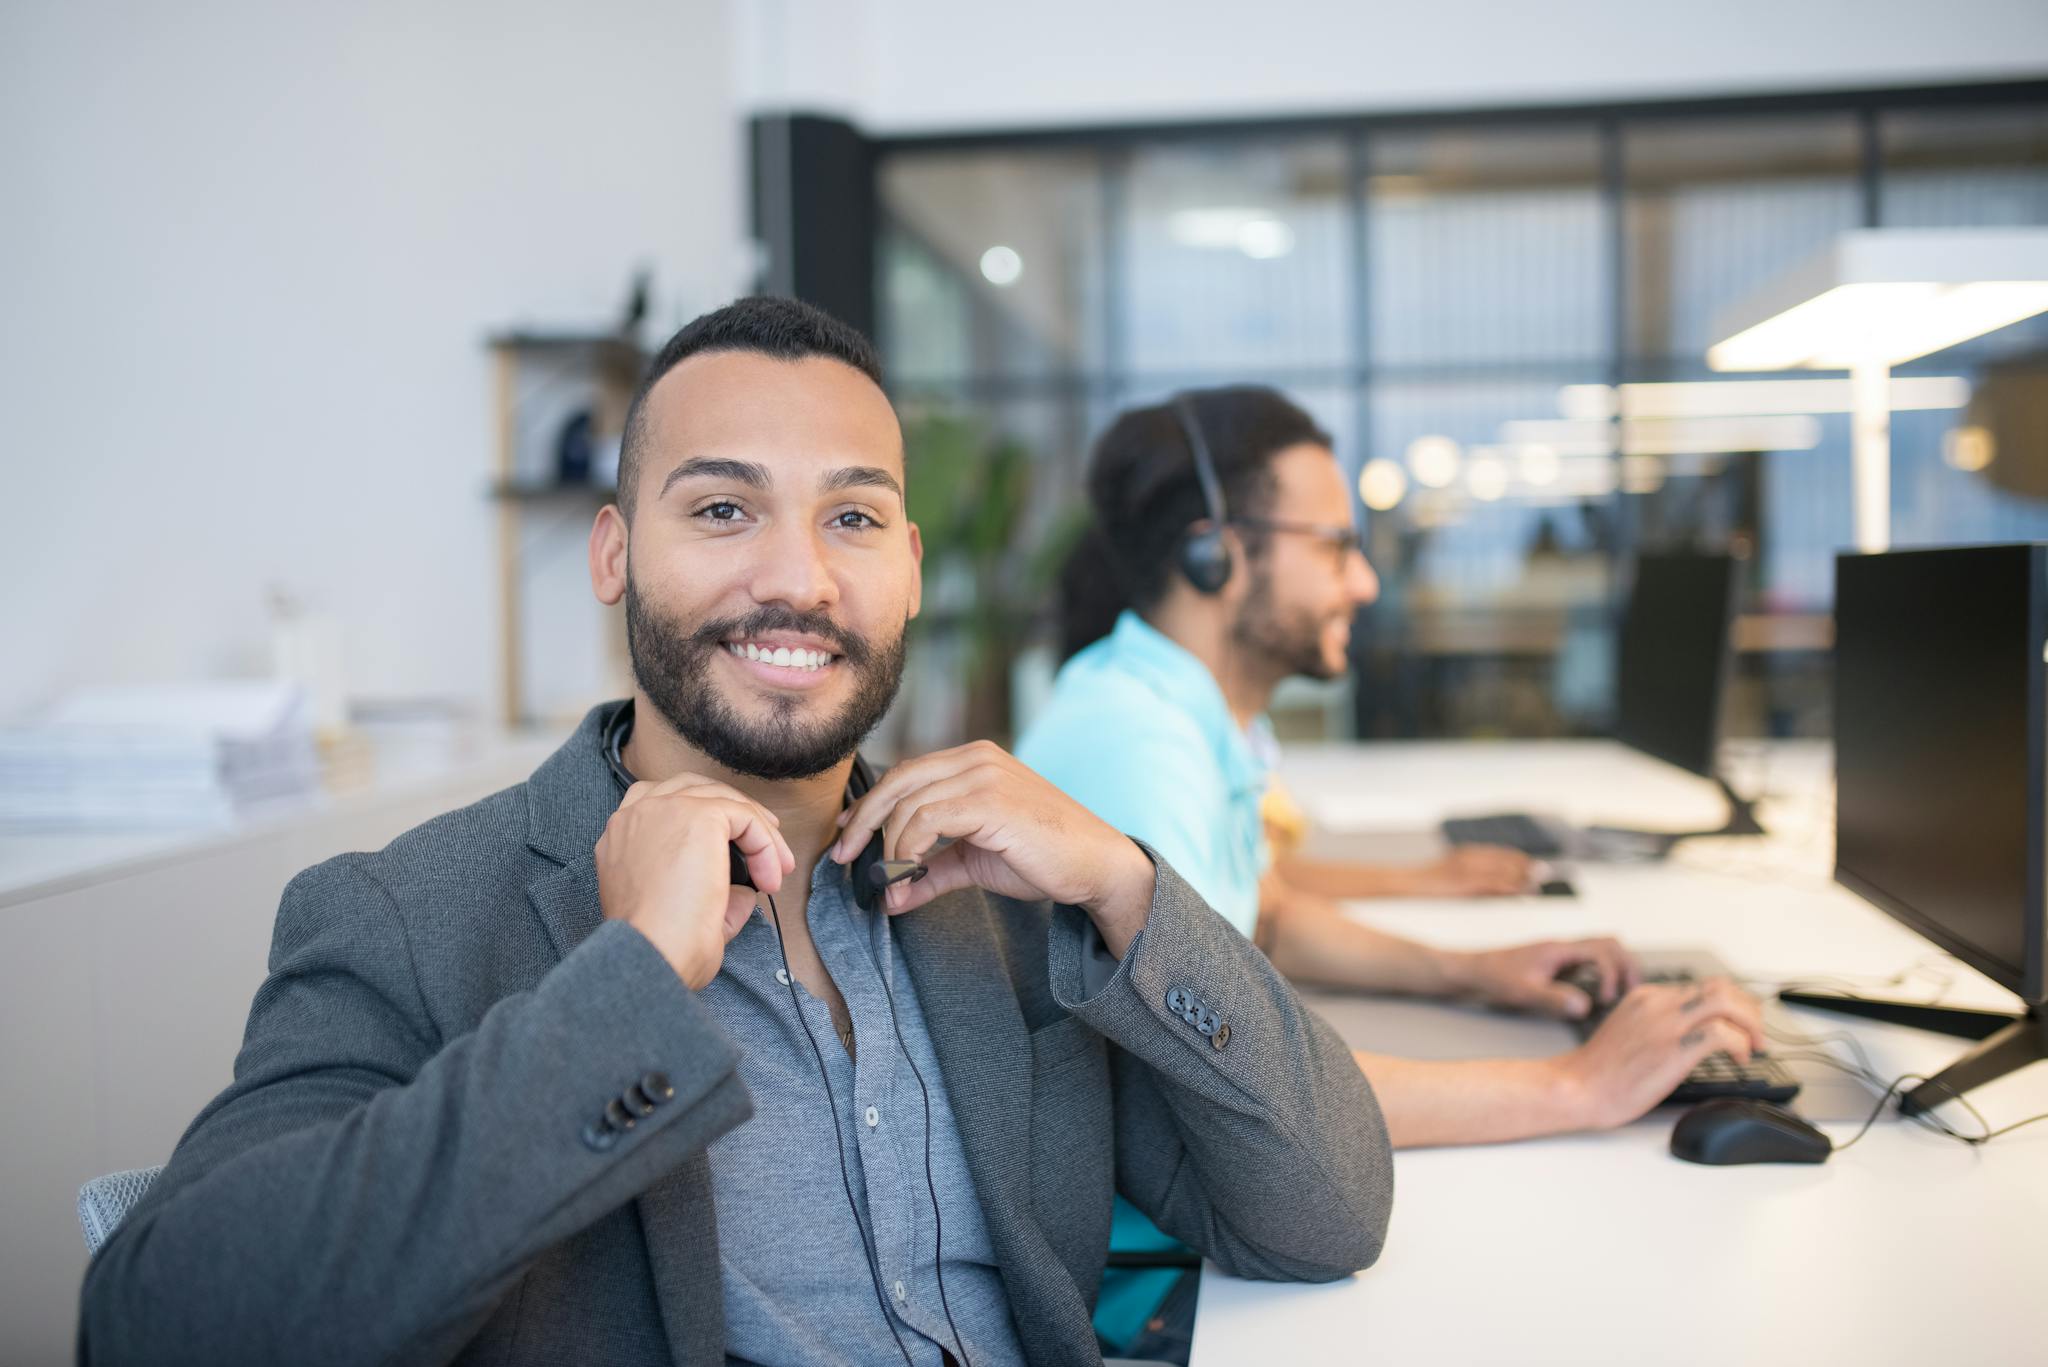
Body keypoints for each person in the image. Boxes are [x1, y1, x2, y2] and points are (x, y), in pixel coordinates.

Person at [77, 304, 1393, 1367]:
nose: (798, 578)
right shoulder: (408, 914)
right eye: (722, 508)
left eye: (853, 516)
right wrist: (631, 981)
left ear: (913, 566)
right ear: (612, 552)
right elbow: (162, 1323)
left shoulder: (1003, 895)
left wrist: (1123, 883)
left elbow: (1324, 1211)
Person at [1015, 387, 1767, 1348]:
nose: (1364, 582)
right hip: (1164, 1280)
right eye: (1334, 545)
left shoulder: (1183, 711)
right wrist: (1575, 1086)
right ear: (1217, 551)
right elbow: (1238, 1084)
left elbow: (1262, 915)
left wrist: (1469, 971)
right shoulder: (1138, 747)